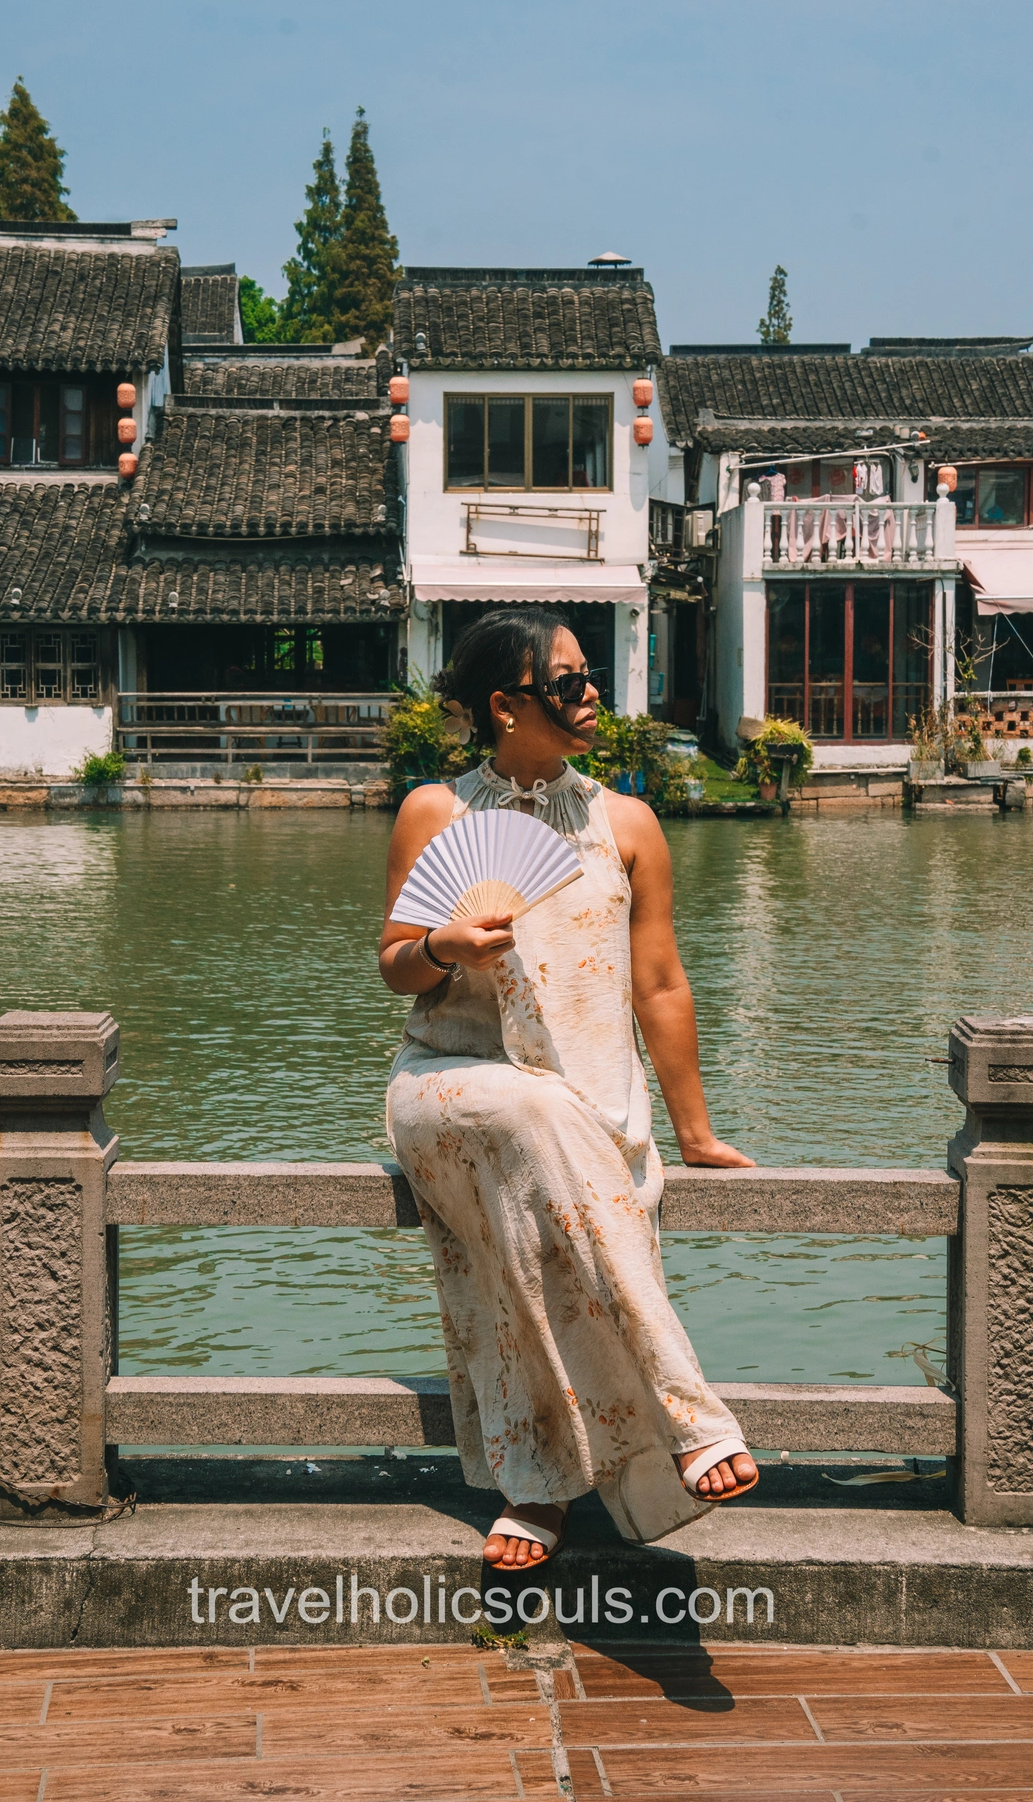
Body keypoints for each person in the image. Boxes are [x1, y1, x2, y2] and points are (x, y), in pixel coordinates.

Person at [379, 608, 757, 1573]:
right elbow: (391, 965)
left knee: (539, 1207)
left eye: (591, 677)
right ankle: (693, 1417)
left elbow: (660, 984)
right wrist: (441, 948)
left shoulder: (626, 823)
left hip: (592, 1102)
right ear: (505, 706)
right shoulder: (436, 813)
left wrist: (696, 1132)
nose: (592, 696)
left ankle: (535, 1490)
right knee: (534, 1114)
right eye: (567, 681)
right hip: (452, 1084)